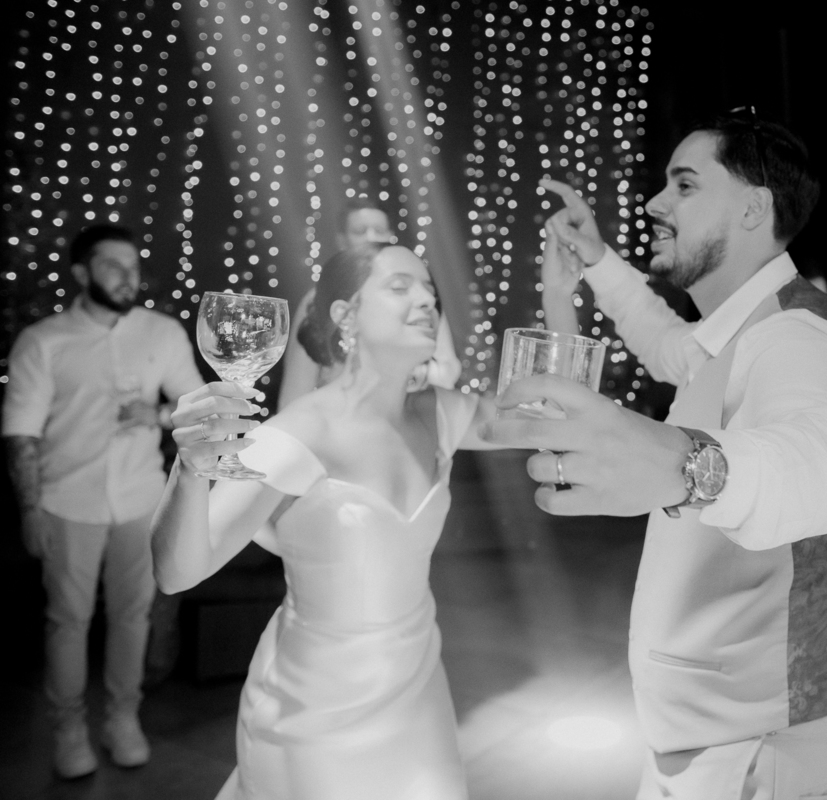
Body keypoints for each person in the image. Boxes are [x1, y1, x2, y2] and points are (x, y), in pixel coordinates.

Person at [489, 110, 827, 799]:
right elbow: (663, 339)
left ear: (754, 208)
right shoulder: (737, 331)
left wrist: (686, 467)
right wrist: (594, 264)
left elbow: (823, 464)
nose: (653, 202)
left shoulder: (796, 336)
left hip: (763, 746)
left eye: (685, 184)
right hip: (713, 731)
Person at [151, 241, 566, 799]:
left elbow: (553, 416)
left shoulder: (441, 413)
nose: (427, 300)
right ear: (346, 314)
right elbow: (175, 573)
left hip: (418, 693)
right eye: (400, 286)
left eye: (430, 290)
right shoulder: (298, 434)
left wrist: (559, 293)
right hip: (312, 712)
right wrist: (189, 468)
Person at [2, 224, 204, 778]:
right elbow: (21, 433)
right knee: (68, 619)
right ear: (82, 272)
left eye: (132, 266)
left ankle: (122, 719)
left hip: (141, 498)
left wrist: (157, 414)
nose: (127, 276)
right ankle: (68, 730)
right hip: (68, 501)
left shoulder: (162, 332)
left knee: (133, 615)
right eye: (113, 265)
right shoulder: (43, 341)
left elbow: (194, 403)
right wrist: (29, 509)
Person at [276, 197, 461, 409]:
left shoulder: (420, 295)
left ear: (391, 236)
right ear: (342, 240)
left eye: (379, 230)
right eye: (359, 231)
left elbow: (447, 369)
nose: (370, 237)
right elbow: (294, 394)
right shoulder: (320, 298)